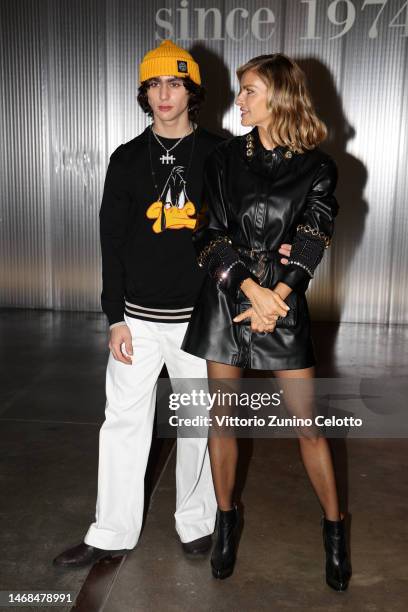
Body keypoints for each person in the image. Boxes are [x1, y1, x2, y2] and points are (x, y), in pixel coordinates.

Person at [181, 53, 352, 591]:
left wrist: (276, 296)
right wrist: (251, 288)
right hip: (228, 298)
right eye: (241, 91)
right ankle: (225, 521)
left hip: (282, 302)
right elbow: (207, 233)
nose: (240, 100)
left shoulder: (318, 167)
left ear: (278, 96)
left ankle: (335, 529)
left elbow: (313, 236)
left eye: (250, 90)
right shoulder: (223, 158)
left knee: (309, 428)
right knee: (222, 423)